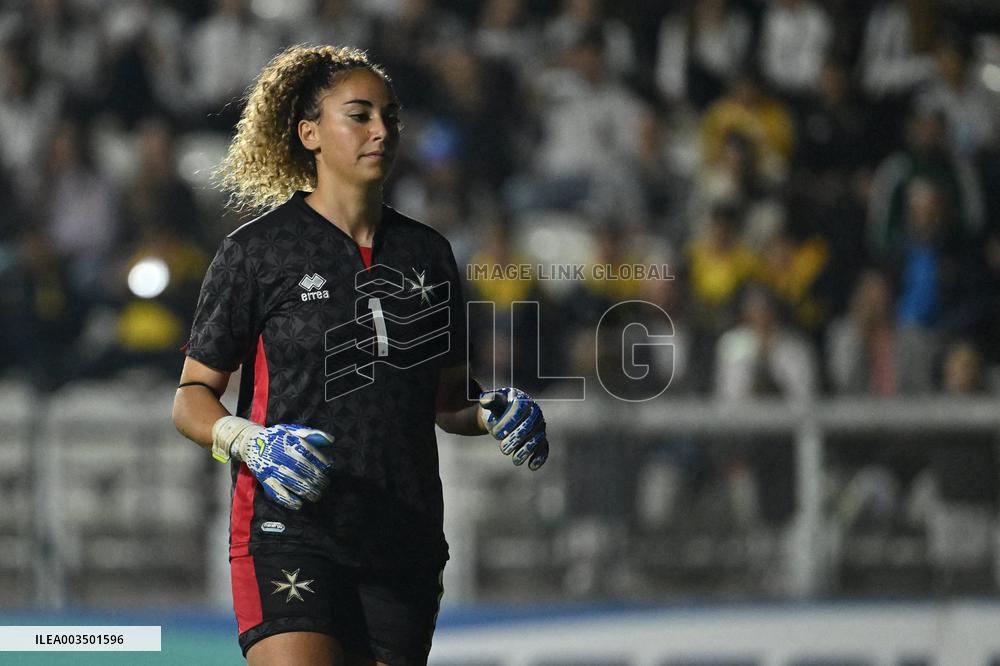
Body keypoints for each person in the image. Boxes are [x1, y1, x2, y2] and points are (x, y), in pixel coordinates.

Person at [171, 45, 549, 665]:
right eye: (361, 115)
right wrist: (249, 442)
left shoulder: (429, 254)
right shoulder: (257, 252)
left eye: (391, 117)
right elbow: (190, 400)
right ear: (309, 134)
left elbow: (447, 401)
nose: (382, 130)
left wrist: (492, 411)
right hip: (289, 532)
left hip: (404, 538)